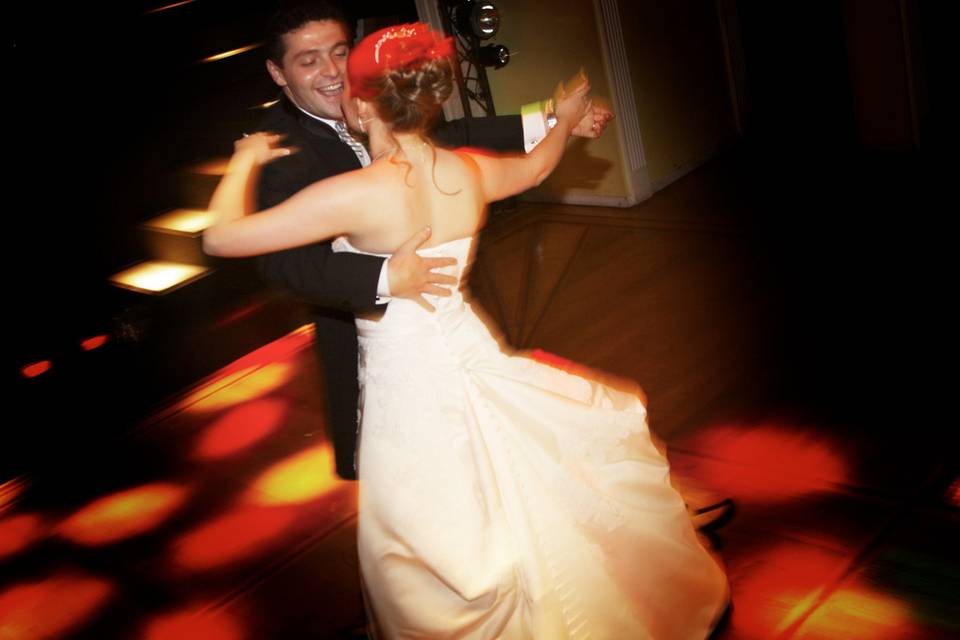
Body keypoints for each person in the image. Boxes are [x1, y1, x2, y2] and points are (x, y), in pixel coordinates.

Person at [205, 22, 729, 638]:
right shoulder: (469, 170)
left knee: (433, 517)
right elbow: (535, 169)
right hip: (469, 346)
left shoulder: (354, 194)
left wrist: (243, 162)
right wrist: (560, 120)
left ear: (365, 103)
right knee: (514, 476)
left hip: (408, 378)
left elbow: (220, 237)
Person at [254, 1, 614, 482]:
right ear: (278, 73)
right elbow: (283, 265)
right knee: (416, 476)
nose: (333, 71)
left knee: (493, 453)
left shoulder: (377, 95)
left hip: (449, 327)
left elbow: (452, 134)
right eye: (309, 60)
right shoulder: (276, 150)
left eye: (340, 52)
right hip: (372, 343)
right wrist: (385, 275)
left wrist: (551, 120)